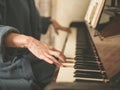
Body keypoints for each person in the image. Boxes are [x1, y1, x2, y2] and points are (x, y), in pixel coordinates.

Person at [0, 0, 70, 90]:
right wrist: (29, 42)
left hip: (28, 58)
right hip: (11, 64)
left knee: (61, 63)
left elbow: (24, 17)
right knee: (60, 74)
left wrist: (49, 21)